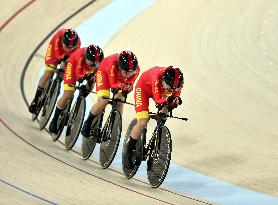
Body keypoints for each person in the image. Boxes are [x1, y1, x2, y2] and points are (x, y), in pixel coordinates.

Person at [123, 66, 184, 169]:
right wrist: (169, 100)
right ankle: (128, 151)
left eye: (175, 88)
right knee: (143, 121)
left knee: (164, 114)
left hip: (161, 91)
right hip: (144, 89)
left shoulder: (178, 84)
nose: (172, 90)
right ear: (164, 80)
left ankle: (156, 137)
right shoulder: (157, 76)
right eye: (170, 87)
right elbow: (157, 99)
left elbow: (173, 97)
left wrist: (174, 102)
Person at [81, 50, 140, 138]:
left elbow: (129, 84)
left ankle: (114, 127)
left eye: (131, 72)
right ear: (120, 67)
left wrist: (127, 88)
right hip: (104, 73)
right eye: (126, 72)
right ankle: (88, 121)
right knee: (103, 100)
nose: (129, 74)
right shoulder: (112, 63)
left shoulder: (136, 70)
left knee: (120, 102)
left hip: (119, 79)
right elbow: (112, 84)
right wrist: (121, 85)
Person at [49, 44, 104, 134]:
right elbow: (78, 74)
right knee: (68, 94)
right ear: (86, 58)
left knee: (92, 81)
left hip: (86, 70)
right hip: (74, 67)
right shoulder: (80, 57)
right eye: (92, 62)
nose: (94, 64)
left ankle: (82, 96)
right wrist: (84, 75)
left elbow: (99, 75)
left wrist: (92, 78)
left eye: (97, 63)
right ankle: (54, 120)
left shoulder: (96, 62)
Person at [28, 28, 81, 113]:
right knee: (49, 72)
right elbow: (57, 53)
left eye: (70, 47)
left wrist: (66, 63)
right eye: (66, 46)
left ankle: (57, 84)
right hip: (55, 50)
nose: (68, 48)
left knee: (63, 72)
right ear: (63, 42)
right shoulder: (58, 37)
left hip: (68, 55)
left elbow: (74, 57)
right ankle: (36, 99)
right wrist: (60, 58)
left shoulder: (78, 43)